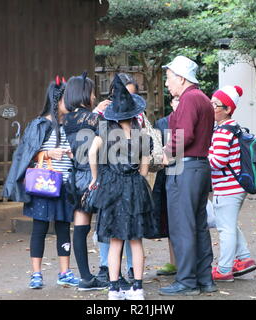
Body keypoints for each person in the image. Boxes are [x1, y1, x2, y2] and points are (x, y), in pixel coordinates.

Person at [2, 77, 79, 289]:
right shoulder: (40, 124)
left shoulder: (72, 125)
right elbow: (26, 154)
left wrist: (73, 154)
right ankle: (36, 274)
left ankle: (65, 272)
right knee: (40, 229)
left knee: (64, 228)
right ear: (57, 101)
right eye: (67, 100)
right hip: (44, 186)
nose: (71, 105)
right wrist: (46, 152)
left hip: (65, 185)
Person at [87, 74, 158, 300]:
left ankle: (114, 289)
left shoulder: (105, 133)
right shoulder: (142, 135)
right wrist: (137, 177)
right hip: (135, 187)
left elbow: (90, 153)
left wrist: (95, 177)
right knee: (136, 240)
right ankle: (137, 287)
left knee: (115, 240)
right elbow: (145, 169)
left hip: (111, 187)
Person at [159, 56, 216, 296]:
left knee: (183, 227)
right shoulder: (201, 98)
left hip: (186, 167)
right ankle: (204, 280)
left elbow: (184, 135)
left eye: (169, 78)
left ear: (181, 78)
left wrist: (166, 153)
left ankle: (186, 282)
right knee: (198, 226)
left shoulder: (190, 98)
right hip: (200, 167)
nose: (166, 83)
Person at [62, 72, 108, 291]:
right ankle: (111, 273)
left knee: (80, 229)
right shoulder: (94, 118)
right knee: (109, 225)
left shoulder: (67, 119)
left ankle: (86, 278)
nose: (94, 95)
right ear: (83, 94)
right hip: (95, 176)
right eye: (92, 91)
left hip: (76, 179)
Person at [208, 85, 256, 282]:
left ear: (227, 109)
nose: (211, 108)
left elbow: (217, 162)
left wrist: (200, 156)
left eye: (215, 105)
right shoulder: (233, 127)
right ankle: (244, 259)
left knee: (225, 229)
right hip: (235, 186)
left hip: (227, 188)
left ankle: (224, 269)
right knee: (228, 224)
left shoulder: (223, 132)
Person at [153, 97, 179, 276]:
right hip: (164, 176)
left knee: (182, 221)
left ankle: (185, 263)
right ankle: (174, 262)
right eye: (176, 100)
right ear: (171, 103)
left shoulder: (190, 121)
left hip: (183, 174)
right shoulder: (162, 123)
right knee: (170, 220)